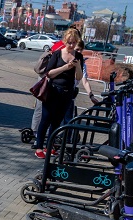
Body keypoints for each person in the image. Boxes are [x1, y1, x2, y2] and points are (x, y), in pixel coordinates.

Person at [33, 28, 83, 159]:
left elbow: (78, 77)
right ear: (65, 41)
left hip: (67, 93)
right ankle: (39, 147)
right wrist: (66, 67)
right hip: (53, 90)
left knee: (57, 122)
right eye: (69, 42)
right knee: (46, 119)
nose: (71, 45)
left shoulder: (78, 56)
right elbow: (49, 73)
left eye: (73, 43)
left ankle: (49, 146)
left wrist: (77, 66)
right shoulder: (57, 54)